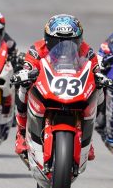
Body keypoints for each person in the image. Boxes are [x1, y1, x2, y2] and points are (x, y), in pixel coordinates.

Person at [11, 14, 107, 159]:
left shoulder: (87, 51)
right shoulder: (37, 49)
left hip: (75, 88)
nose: (64, 47)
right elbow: (27, 67)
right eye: (57, 42)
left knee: (99, 89)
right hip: (47, 87)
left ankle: (88, 140)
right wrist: (25, 74)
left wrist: (101, 78)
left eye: (71, 42)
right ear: (47, 40)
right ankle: (21, 133)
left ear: (79, 40)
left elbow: (96, 71)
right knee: (23, 86)